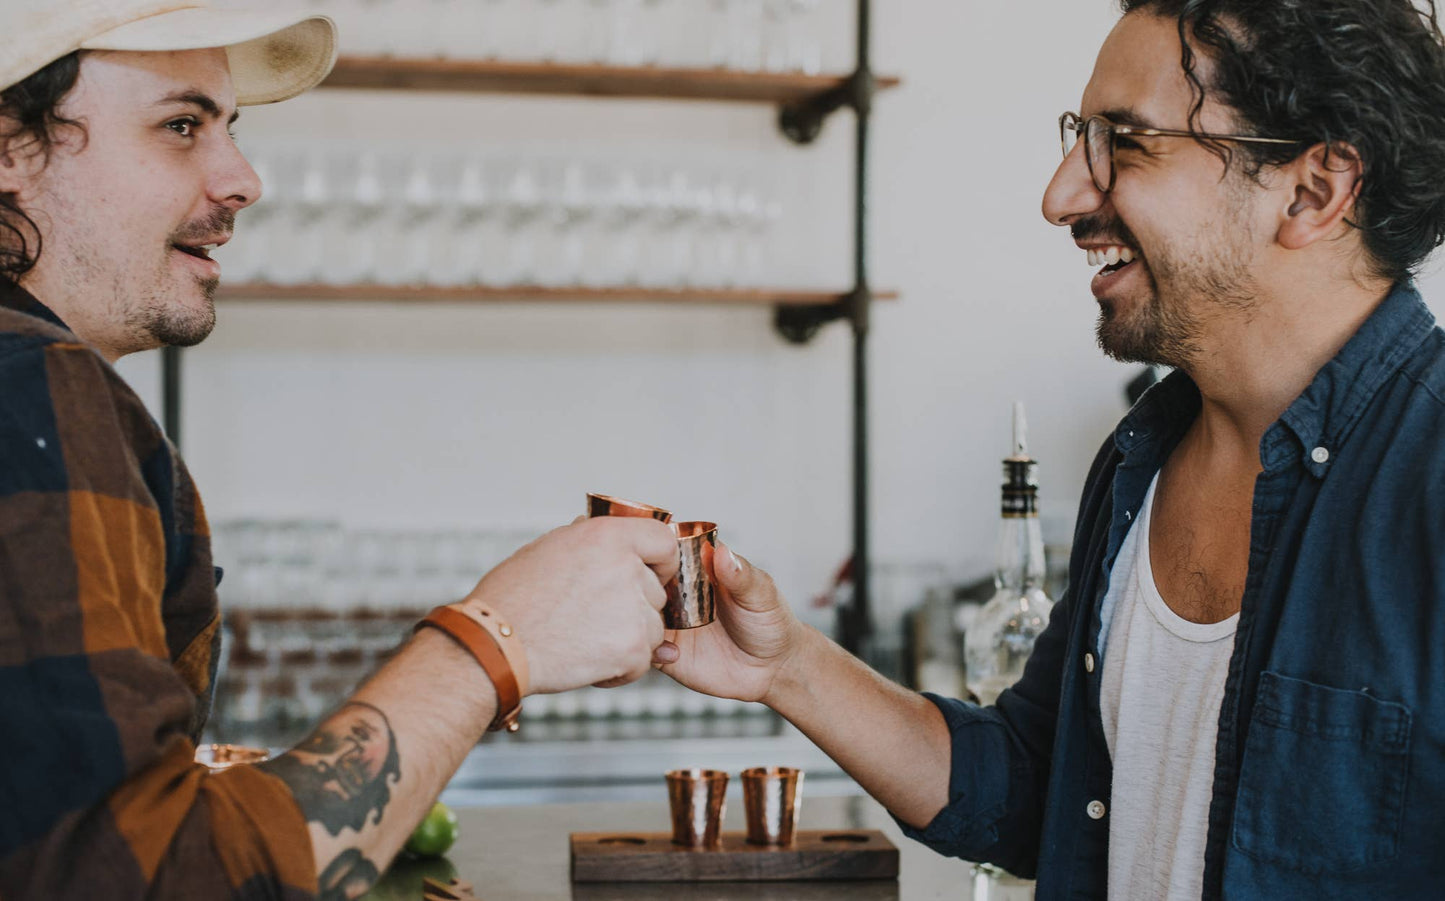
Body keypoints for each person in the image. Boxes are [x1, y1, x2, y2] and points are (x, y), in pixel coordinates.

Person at [660, 1, 1445, 898]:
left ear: (1312, 191)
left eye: (1127, 141)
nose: (1061, 194)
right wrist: (786, 665)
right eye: (1081, 136)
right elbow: (1041, 788)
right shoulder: (1141, 461)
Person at [0, 3, 680, 898]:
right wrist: (493, 640)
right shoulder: (30, 385)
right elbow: (140, 876)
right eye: (179, 126)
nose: (242, 179)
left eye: (228, 130)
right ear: (12, 147)